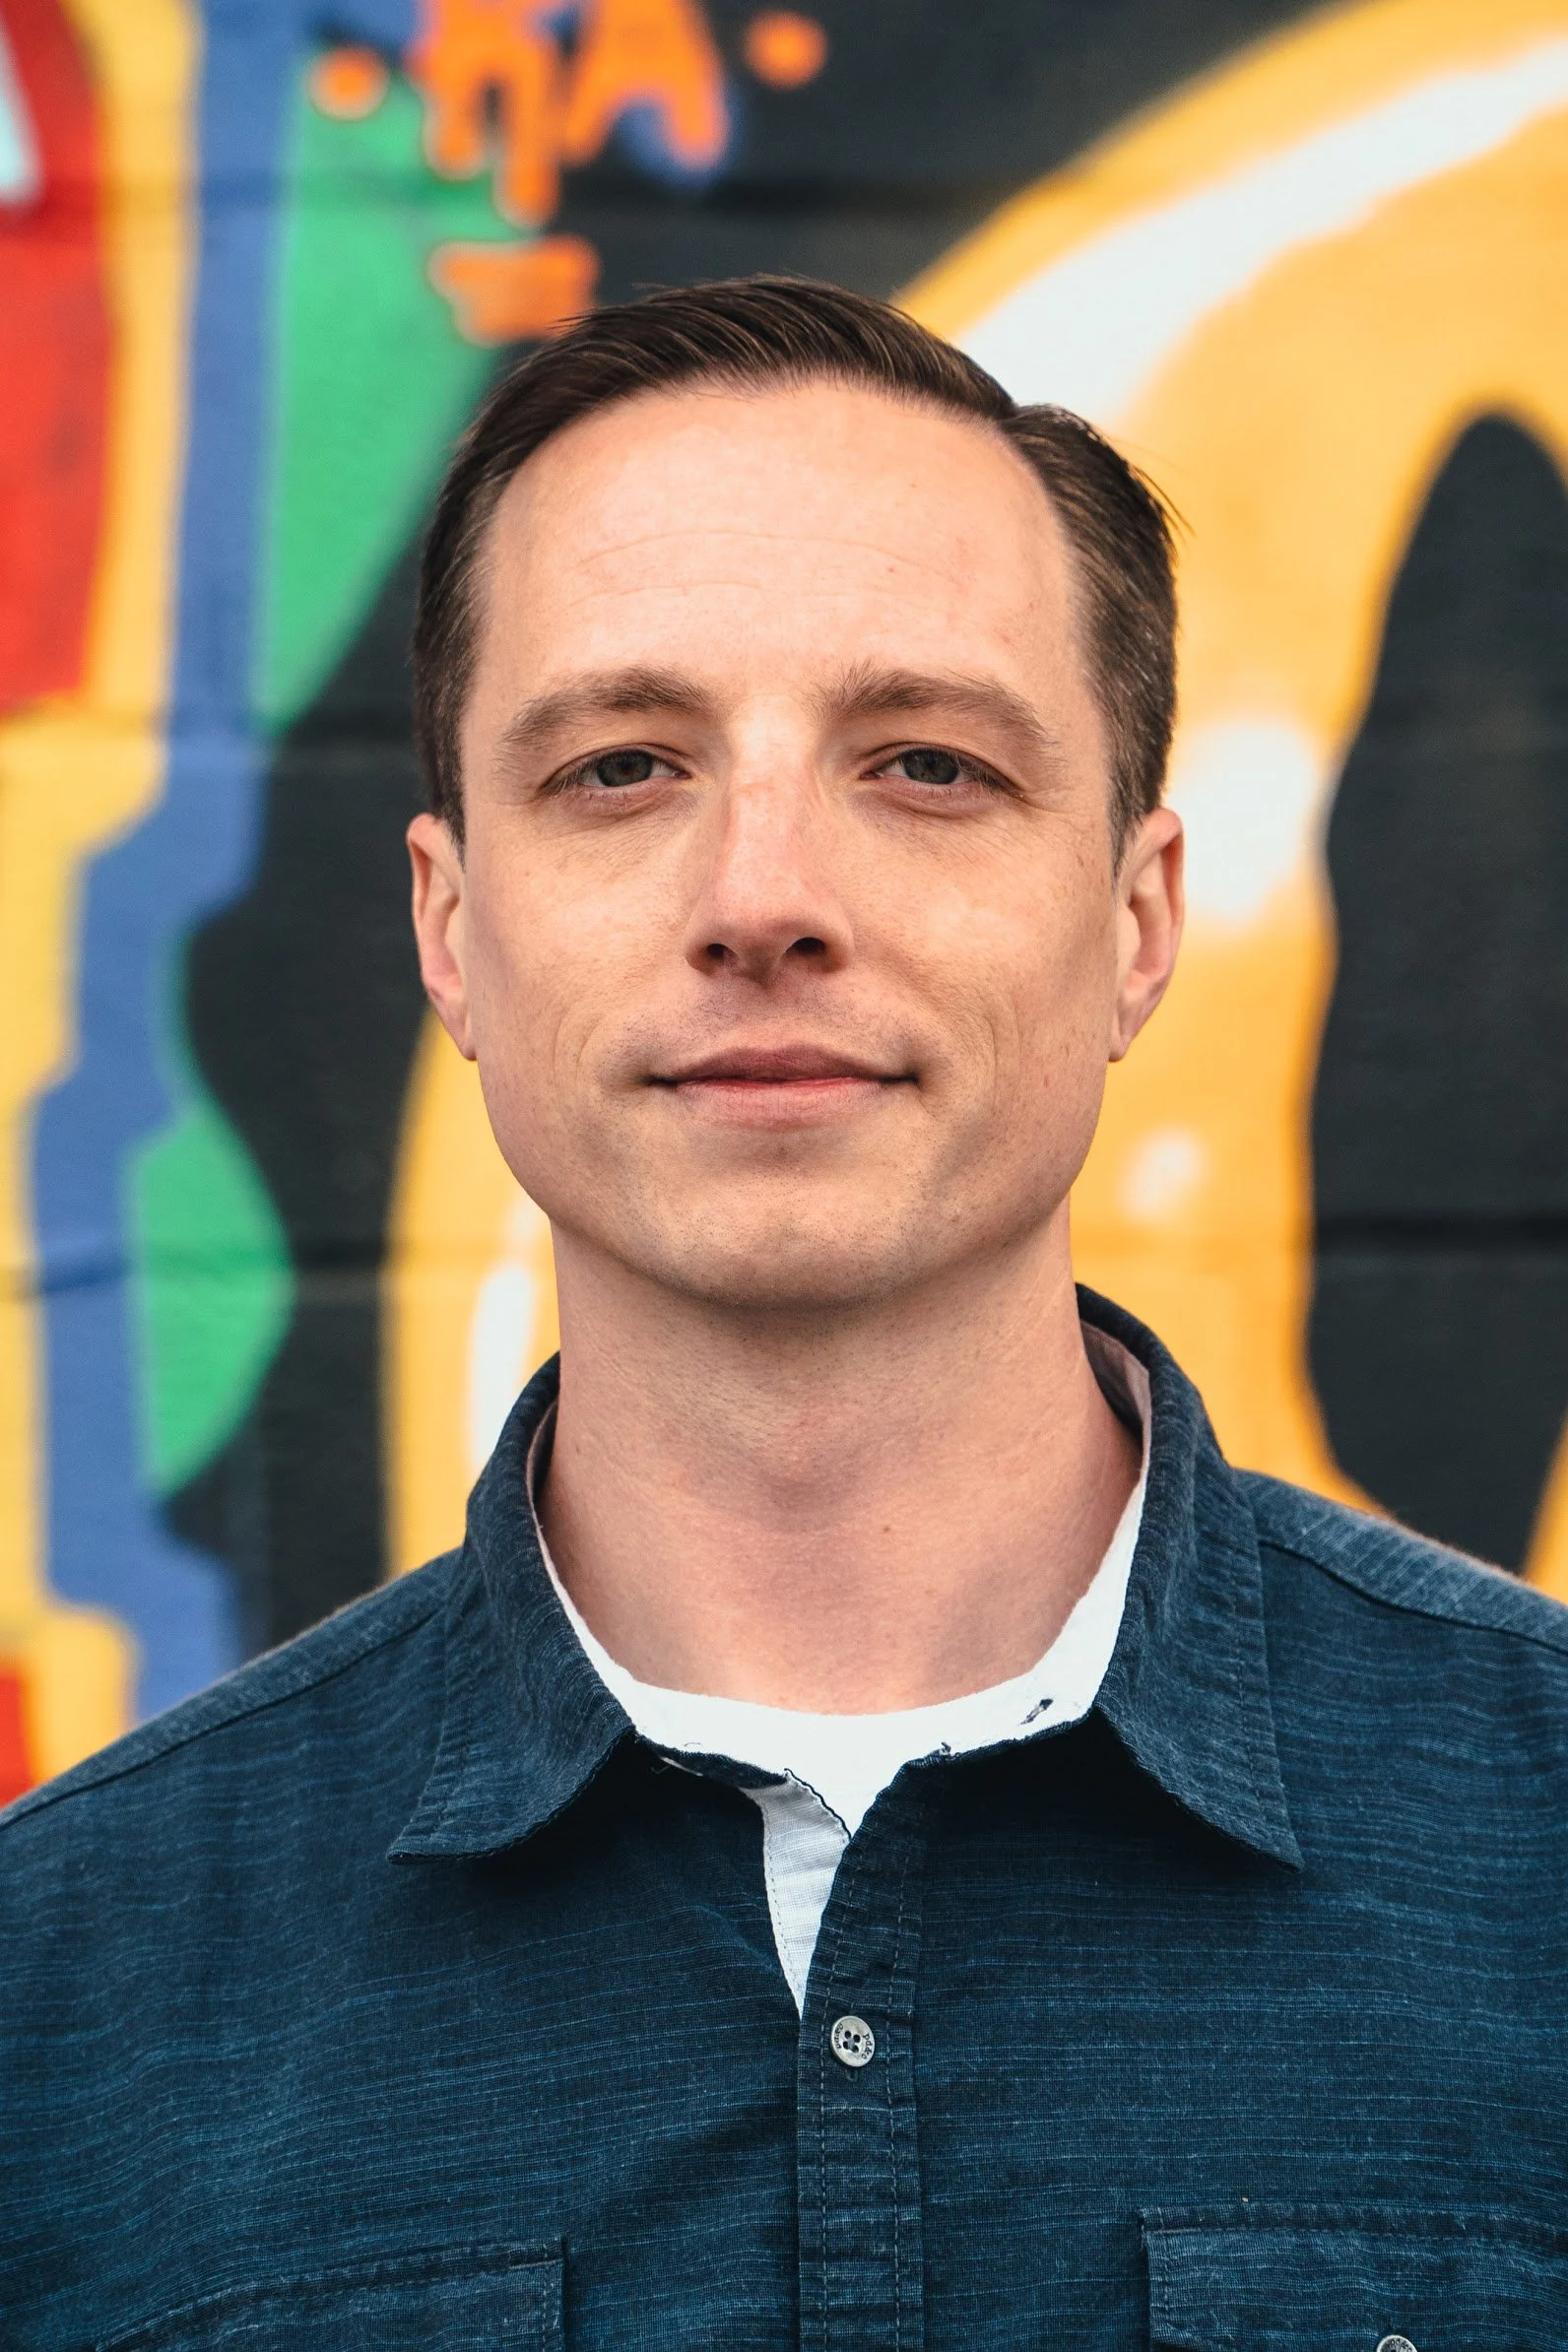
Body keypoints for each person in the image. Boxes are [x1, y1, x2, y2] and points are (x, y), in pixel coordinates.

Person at [4, 278, 1566, 2349]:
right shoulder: (63, 1999)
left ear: (1134, 920)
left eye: (923, 762)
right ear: (449, 929)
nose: (764, 895)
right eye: (623, 766)